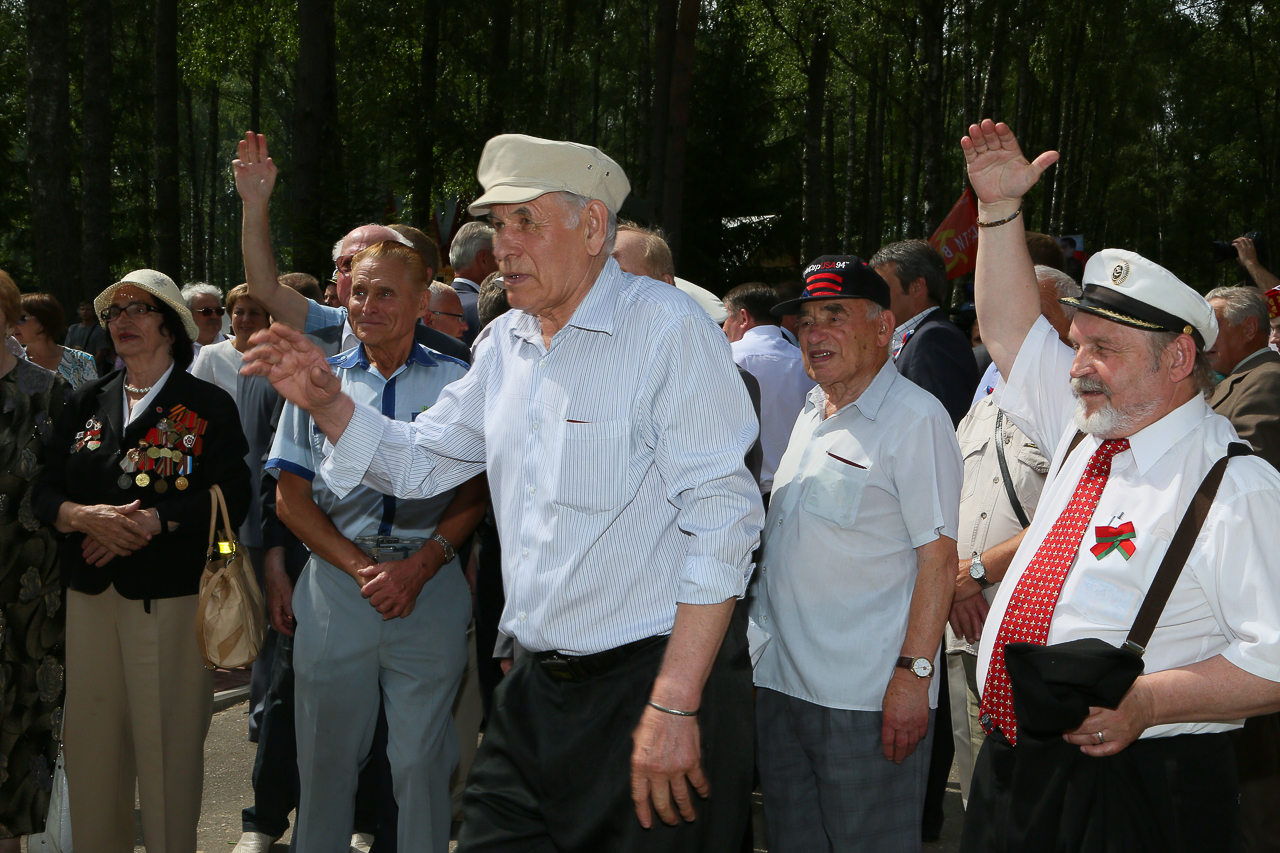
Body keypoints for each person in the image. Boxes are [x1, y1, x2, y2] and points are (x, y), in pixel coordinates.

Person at [242, 131, 763, 853]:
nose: (503, 245)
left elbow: (724, 522)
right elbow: (421, 464)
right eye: (496, 224)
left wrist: (676, 702)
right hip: (532, 693)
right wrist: (329, 404)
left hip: (652, 686)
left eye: (525, 221)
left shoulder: (667, 332)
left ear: (592, 227)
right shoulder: (504, 344)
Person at [960, 118, 1280, 852]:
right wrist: (999, 211)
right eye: (1078, 344)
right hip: (1017, 770)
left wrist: (1149, 702)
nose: (1078, 366)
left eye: (1103, 348)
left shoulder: (1236, 486)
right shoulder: (1089, 427)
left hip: (1142, 781)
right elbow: (1010, 333)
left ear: (1178, 360)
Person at [264, 239, 484, 853]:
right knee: (325, 762)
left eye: (386, 293)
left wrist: (423, 565)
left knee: (421, 764)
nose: (367, 305)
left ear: (421, 303)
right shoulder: (319, 382)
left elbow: (476, 491)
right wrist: (363, 569)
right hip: (339, 588)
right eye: (358, 291)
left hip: (429, 587)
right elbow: (291, 499)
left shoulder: (460, 384)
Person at [33, 269, 250, 853]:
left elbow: (235, 494)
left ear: (170, 326)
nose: (122, 320)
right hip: (89, 597)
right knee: (93, 749)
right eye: (114, 311)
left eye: (138, 308)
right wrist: (83, 517)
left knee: (166, 749)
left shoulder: (206, 404)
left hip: (170, 598)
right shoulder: (85, 400)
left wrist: (154, 521)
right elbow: (46, 489)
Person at [749, 256, 960, 853]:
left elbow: (939, 561)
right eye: (806, 320)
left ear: (883, 325)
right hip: (783, 684)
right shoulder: (812, 410)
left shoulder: (915, 419)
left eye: (834, 316)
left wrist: (913, 678)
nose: (814, 334)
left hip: (865, 699)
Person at [231, 134, 471, 367]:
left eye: (377, 262)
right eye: (348, 264)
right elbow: (263, 288)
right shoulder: (322, 326)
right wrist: (254, 204)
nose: (360, 273)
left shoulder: (449, 356)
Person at [1202, 285, 1280, 853]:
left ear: (1249, 329)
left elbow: (1246, 462)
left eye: (1217, 327)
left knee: (1257, 762)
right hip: (1232, 579)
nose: (1207, 342)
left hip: (1251, 583)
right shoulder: (1236, 380)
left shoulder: (1267, 380)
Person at [0, 272, 69, 851]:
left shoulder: (49, 393)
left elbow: (70, 487)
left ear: (8, 318)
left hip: (29, 595)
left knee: (23, 733)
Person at [870, 239, 980, 426]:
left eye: (882, 288)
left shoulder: (935, 339)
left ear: (917, 287)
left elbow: (940, 426)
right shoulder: (922, 337)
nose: (874, 297)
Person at [721, 281, 812, 501]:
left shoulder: (726, 358)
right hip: (796, 490)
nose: (724, 327)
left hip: (739, 492)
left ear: (743, 317)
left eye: (727, 317)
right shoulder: (808, 364)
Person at [191, 283, 271, 394]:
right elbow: (194, 399)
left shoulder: (280, 356)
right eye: (239, 312)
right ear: (230, 316)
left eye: (254, 313)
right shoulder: (211, 355)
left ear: (267, 319)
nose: (246, 319)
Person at [15, 291, 98, 388]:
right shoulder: (10, 363)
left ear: (44, 320)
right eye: (11, 319)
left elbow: (92, 396)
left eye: (20, 318)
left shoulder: (82, 361)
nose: (12, 324)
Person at [448, 221, 498, 344]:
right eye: (498, 258)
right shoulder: (487, 309)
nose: (503, 266)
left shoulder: (431, 304)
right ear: (483, 259)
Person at [64, 299, 110, 365]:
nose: (84, 312)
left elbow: (100, 353)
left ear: (94, 312)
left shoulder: (99, 330)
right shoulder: (73, 329)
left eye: (88, 309)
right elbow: (67, 349)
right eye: (82, 309)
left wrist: (89, 367)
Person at [182, 282, 227, 349]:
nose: (214, 316)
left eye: (218, 311)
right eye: (207, 312)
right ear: (188, 315)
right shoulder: (175, 350)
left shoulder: (237, 347)